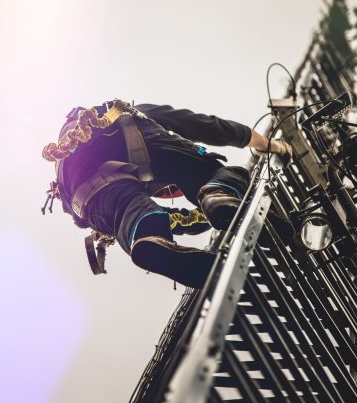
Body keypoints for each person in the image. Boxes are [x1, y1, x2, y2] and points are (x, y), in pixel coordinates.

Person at [42, 100, 292, 289]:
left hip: (84, 197)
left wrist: (204, 218)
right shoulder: (137, 113)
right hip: (126, 132)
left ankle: (150, 239)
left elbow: (174, 219)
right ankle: (219, 191)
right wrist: (268, 144)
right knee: (216, 173)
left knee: (133, 215)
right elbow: (208, 126)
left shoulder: (91, 171)